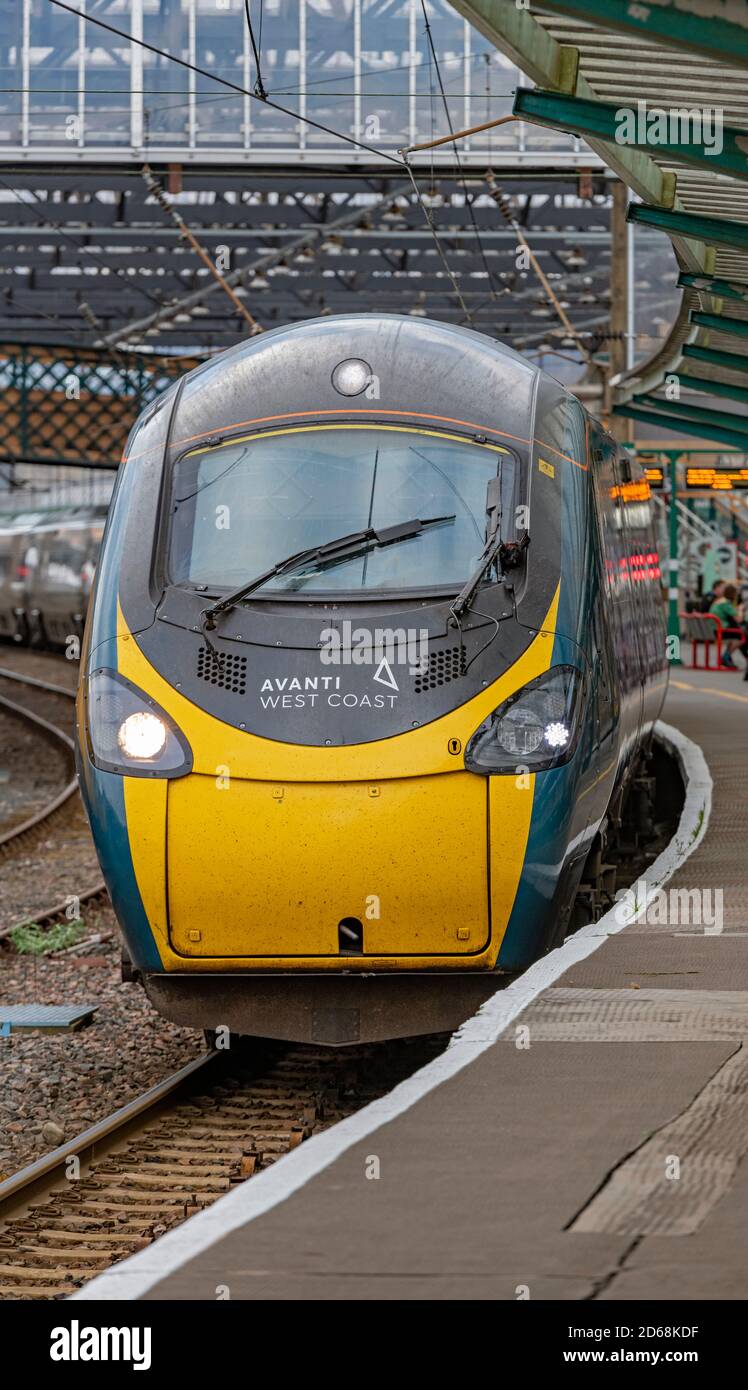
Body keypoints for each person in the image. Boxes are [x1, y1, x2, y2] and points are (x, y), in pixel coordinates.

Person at [710, 583, 745, 670]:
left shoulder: (718, 601)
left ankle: (727, 657)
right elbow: (739, 619)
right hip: (719, 631)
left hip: (712, 630)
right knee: (741, 637)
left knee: (737, 634)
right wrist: (740, 610)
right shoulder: (726, 603)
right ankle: (725, 657)